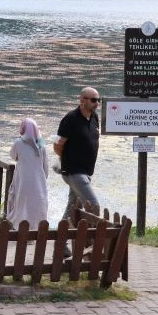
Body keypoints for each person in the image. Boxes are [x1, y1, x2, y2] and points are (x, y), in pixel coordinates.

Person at [54, 87, 102, 229]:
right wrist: (66, 160)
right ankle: (91, 239)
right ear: (82, 100)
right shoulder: (71, 118)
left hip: (86, 171)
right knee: (93, 206)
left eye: (98, 100)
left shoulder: (94, 117)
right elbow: (57, 145)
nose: (97, 103)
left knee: (73, 207)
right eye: (94, 100)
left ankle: (61, 238)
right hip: (73, 171)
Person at [6, 118, 50, 230]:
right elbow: (46, 167)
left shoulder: (18, 143)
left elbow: (13, 155)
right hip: (39, 182)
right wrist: (42, 178)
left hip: (23, 180)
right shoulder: (41, 144)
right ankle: (36, 229)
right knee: (37, 206)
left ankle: (20, 228)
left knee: (22, 205)